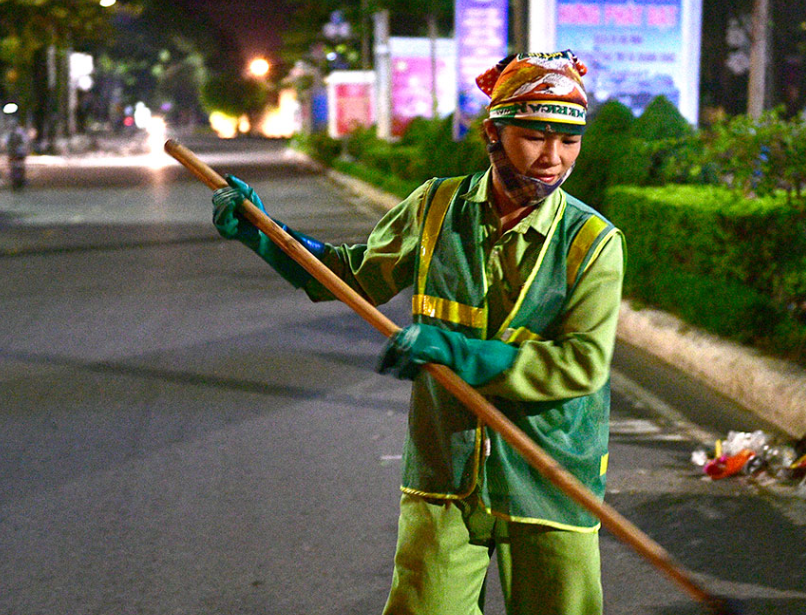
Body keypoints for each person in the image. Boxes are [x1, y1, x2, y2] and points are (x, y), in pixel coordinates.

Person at [211, 49, 625, 615]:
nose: (553, 158)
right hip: (443, 471)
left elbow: (580, 365)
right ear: (494, 134)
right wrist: (268, 237)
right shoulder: (434, 207)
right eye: (535, 136)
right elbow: (354, 277)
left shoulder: (594, 243)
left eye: (569, 141)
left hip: (549, 476)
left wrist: (457, 352)